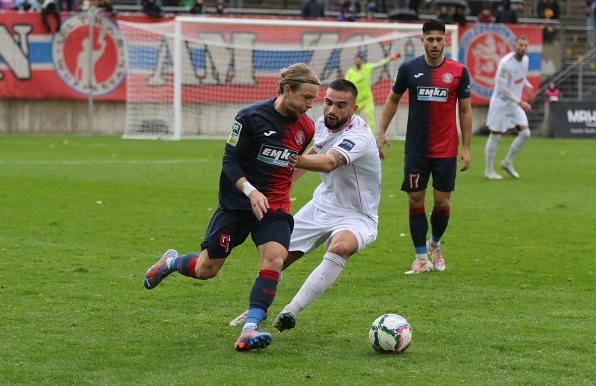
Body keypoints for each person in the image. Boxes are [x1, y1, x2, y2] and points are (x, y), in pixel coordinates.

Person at [143, 63, 321, 352]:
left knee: (275, 260)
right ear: (287, 90)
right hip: (237, 205)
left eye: (313, 99)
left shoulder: (306, 128)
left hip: (273, 205)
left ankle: (249, 329)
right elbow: (230, 162)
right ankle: (172, 262)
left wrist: (278, 193)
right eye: (306, 98)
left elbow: (289, 165)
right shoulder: (250, 117)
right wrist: (251, 192)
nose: (310, 105)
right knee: (206, 269)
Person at [230, 79, 382, 331]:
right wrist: (287, 183)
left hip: (357, 213)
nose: (332, 110)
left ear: (354, 109)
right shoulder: (322, 124)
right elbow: (314, 152)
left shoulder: (359, 135)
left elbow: (329, 162)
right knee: (276, 258)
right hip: (321, 205)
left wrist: (282, 155)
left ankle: (291, 310)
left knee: (340, 246)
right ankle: (257, 310)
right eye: (329, 102)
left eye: (341, 106)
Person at [376, 19, 472, 274]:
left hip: (446, 149)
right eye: (430, 39)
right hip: (417, 149)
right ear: (422, 40)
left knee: (442, 203)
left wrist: (467, 147)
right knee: (415, 200)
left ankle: (435, 245)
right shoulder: (409, 69)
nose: (435, 44)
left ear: (445, 40)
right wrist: (381, 132)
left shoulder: (459, 71)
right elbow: (393, 99)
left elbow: (465, 111)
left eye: (439, 39)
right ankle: (420, 257)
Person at [484, 36, 533, 180]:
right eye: (520, 45)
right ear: (514, 46)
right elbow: (501, 87)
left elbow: (520, 76)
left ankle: (507, 162)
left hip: (514, 103)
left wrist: (527, 85)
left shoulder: (526, 60)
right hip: (500, 103)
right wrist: (520, 101)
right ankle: (488, 170)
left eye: (525, 45)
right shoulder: (505, 63)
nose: (522, 47)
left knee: (525, 133)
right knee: (495, 135)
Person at [344, 52, 399, 132]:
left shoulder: (367, 68)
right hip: (355, 101)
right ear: (354, 61)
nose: (357, 61)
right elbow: (345, 84)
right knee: (349, 118)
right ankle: (346, 133)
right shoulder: (350, 72)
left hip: (367, 99)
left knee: (370, 117)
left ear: (361, 61)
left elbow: (379, 64)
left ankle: (371, 136)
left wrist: (390, 58)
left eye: (359, 60)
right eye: (356, 60)